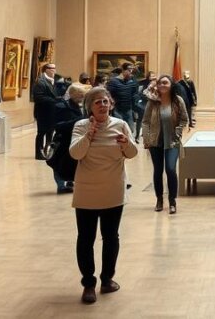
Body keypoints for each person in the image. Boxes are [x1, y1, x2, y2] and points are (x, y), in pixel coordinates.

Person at [70, 87, 138, 305]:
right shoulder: (81, 126)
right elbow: (76, 153)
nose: (102, 105)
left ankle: (107, 279)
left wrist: (126, 143)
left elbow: (132, 153)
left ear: (112, 104)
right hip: (87, 190)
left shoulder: (121, 125)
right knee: (86, 238)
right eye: (97, 102)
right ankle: (88, 284)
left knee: (111, 237)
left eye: (105, 101)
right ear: (89, 106)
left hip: (113, 189)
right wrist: (89, 135)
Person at [141, 75, 188, 214]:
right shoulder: (153, 102)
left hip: (172, 141)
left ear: (171, 85)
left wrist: (178, 132)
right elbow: (145, 121)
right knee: (158, 171)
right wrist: (147, 138)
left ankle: (172, 201)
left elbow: (184, 119)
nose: (162, 85)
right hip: (155, 141)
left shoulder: (177, 100)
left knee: (171, 169)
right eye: (160, 83)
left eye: (165, 83)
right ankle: (159, 199)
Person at [50, 83, 88, 194]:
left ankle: (70, 181)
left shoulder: (81, 106)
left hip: (75, 138)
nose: (82, 97)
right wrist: (77, 121)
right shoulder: (61, 106)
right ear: (72, 94)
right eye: (80, 94)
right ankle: (61, 185)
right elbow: (57, 125)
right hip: (63, 139)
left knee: (72, 162)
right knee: (58, 163)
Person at [33, 63, 58, 159]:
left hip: (51, 112)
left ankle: (47, 150)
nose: (54, 70)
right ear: (46, 69)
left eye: (55, 68)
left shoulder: (52, 81)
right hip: (43, 112)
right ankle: (39, 153)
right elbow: (38, 97)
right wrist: (54, 100)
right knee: (41, 133)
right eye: (52, 68)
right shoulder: (40, 82)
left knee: (50, 132)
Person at [106, 63, 139, 135]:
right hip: (117, 110)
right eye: (129, 70)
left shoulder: (132, 81)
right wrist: (111, 103)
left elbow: (134, 94)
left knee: (130, 130)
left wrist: (135, 108)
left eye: (132, 70)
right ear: (123, 70)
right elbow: (108, 94)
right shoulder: (113, 81)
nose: (131, 72)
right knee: (119, 131)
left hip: (128, 109)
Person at [134, 71, 156, 142]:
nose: (152, 78)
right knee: (140, 120)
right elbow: (139, 93)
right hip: (143, 104)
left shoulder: (156, 84)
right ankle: (137, 136)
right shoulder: (142, 83)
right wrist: (139, 101)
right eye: (151, 76)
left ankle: (147, 135)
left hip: (152, 103)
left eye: (153, 76)